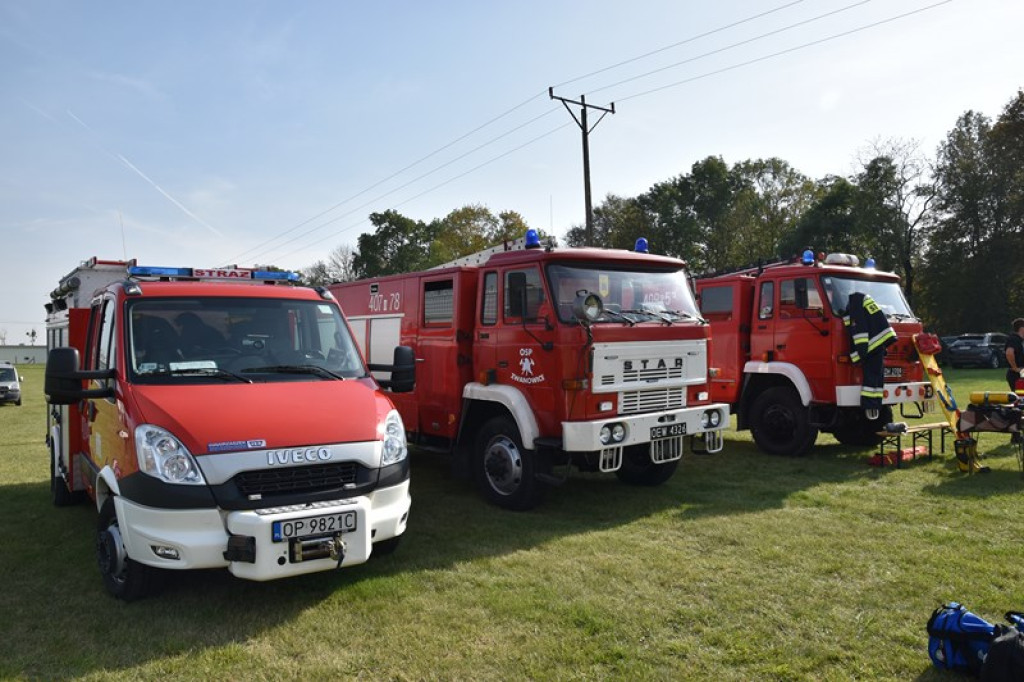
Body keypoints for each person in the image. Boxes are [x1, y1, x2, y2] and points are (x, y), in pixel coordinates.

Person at [1004, 318, 1024, 391]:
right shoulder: (1014, 339)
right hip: (1016, 374)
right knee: (1020, 398)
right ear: (1022, 328)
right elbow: (1009, 353)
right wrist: (1015, 368)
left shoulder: (1021, 340)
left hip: (1022, 373)